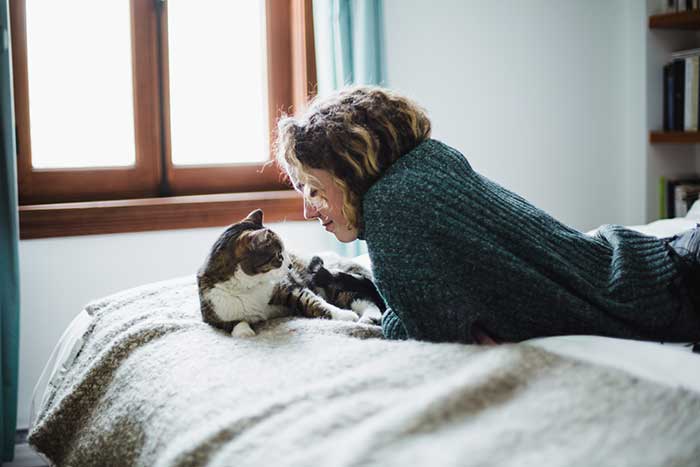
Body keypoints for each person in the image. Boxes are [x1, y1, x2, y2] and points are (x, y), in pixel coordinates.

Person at [275, 85, 700, 345]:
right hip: (653, 260)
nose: (309, 210)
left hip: (671, 289)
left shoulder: (389, 210)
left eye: (314, 190)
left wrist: (388, 318)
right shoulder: (427, 163)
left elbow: (430, 337)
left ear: (349, 172)